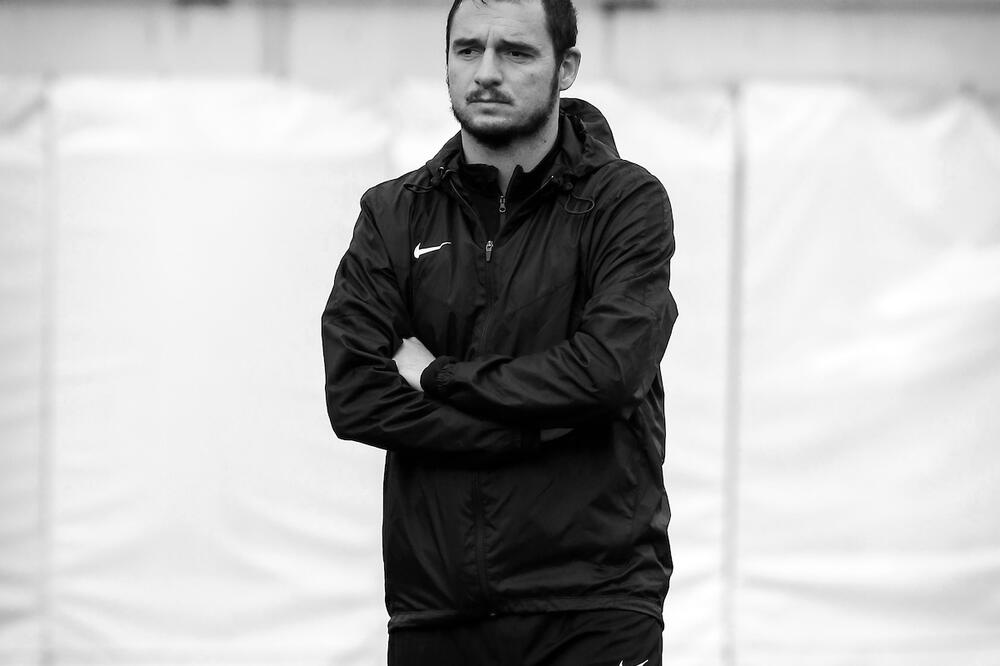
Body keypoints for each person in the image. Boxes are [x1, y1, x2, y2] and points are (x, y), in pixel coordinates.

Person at [321, 0, 677, 663]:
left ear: (566, 68)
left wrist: (438, 376)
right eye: (468, 50)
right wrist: (537, 426)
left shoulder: (625, 204)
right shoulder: (393, 214)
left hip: (593, 605)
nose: (486, 72)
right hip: (437, 611)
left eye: (516, 52)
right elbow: (356, 395)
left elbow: (607, 373)